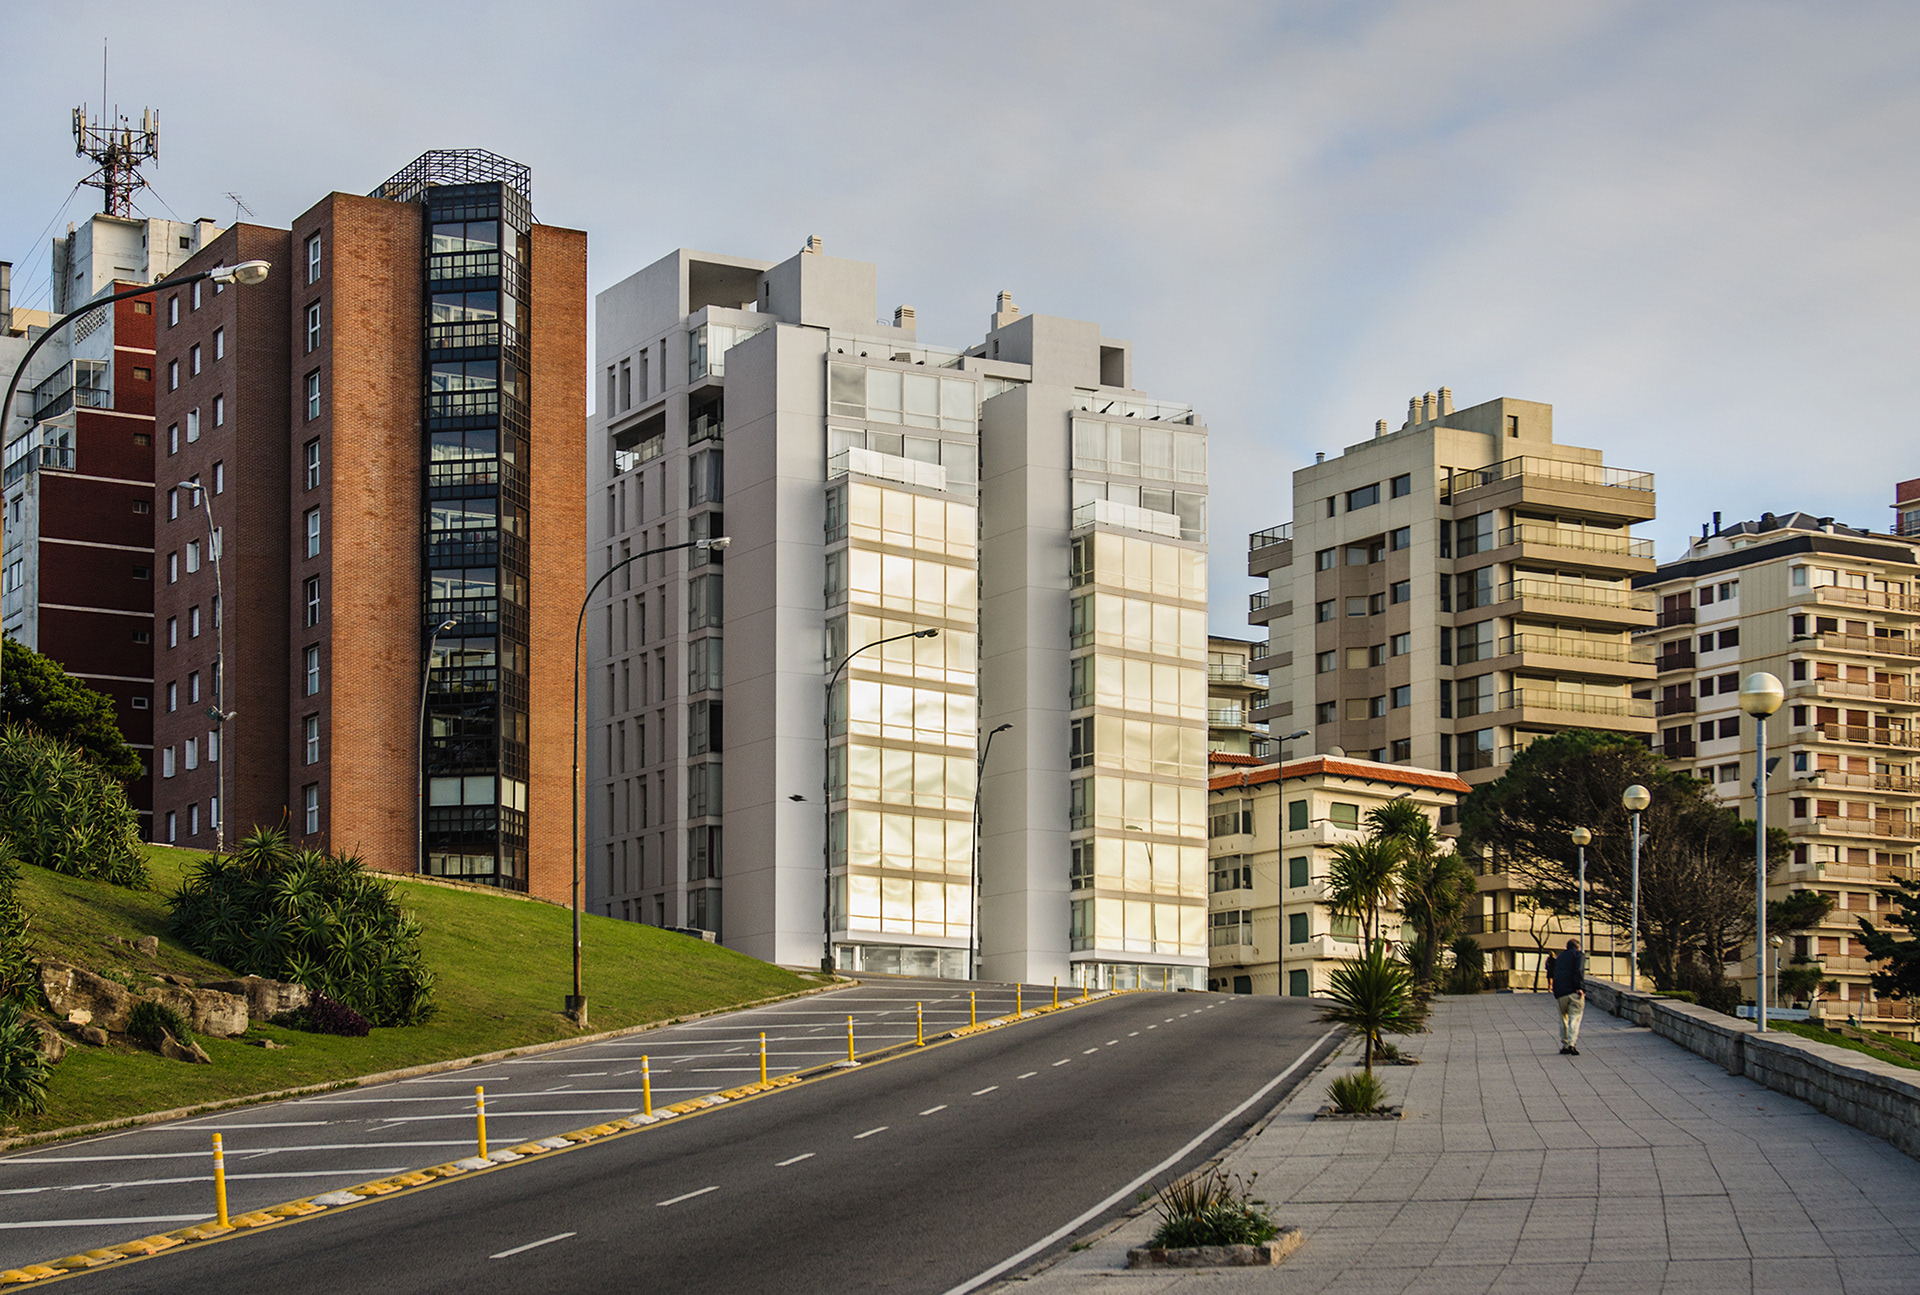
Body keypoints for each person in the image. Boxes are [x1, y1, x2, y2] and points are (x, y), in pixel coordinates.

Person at [1551, 937, 1585, 1055]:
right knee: (1574, 1019)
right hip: (1573, 992)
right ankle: (1571, 1044)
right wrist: (1579, 988)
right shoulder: (1579, 955)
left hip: (1560, 992)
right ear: (1578, 947)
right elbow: (1579, 971)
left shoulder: (1560, 957)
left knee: (1563, 1019)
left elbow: (1555, 973)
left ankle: (1565, 1045)